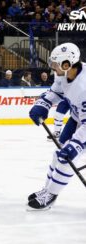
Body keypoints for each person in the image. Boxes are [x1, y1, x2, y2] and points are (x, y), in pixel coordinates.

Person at [28, 42, 86, 210]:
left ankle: (51, 195)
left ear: (67, 64)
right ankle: (47, 190)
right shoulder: (64, 74)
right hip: (77, 118)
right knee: (58, 154)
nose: (52, 67)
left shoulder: (83, 87)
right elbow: (55, 92)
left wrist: (76, 145)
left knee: (67, 157)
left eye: (55, 64)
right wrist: (43, 104)